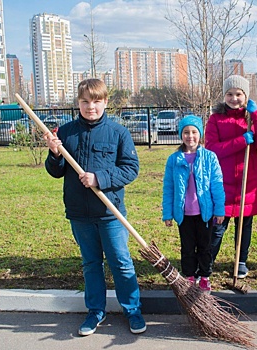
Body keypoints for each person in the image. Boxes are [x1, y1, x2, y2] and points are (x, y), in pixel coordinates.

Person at [43, 78, 146, 336]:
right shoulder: (66, 133)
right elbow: (56, 172)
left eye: (96, 101)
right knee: (91, 264)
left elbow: (131, 169)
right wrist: (55, 154)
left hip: (110, 212)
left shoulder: (118, 133)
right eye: (85, 101)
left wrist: (99, 178)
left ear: (105, 102)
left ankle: (132, 310)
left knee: (121, 262)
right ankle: (95, 311)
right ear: (78, 103)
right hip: (79, 213)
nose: (91, 107)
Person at [205, 75, 257, 278]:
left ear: (246, 96)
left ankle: (241, 260)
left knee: (244, 225)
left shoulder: (250, 118)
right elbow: (212, 149)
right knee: (218, 226)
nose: (234, 98)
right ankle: (208, 261)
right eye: (230, 94)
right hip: (222, 183)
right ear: (224, 95)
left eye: (239, 94)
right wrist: (241, 141)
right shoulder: (215, 119)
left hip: (247, 181)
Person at [162, 115, 225, 293]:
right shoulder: (174, 160)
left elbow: (217, 186)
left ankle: (205, 276)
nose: (190, 136)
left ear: (200, 134)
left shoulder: (209, 158)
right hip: (184, 215)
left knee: (205, 247)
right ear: (181, 135)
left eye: (194, 132)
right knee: (187, 248)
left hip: (204, 213)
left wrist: (219, 210)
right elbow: (168, 188)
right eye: (186, 132)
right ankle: (189, 276)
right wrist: (168, 213)